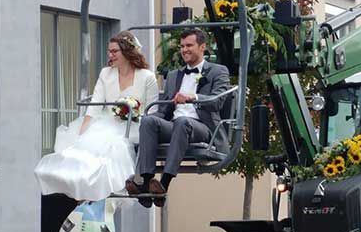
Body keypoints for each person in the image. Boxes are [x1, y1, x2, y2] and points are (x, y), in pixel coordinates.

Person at [35, 31, 159, 201]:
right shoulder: (106, 74)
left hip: (137, 125)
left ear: (127, 52)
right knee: (85, 147)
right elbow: (95, 105)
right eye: (109, 51)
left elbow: (152, 111)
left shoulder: (147, 77)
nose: (110, 55)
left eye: (115, 51)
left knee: (114, 147)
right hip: (108, 123)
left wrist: (135, 114)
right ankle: (81, 187)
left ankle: (119, 186)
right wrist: (82, 133)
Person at [126, 28, 230, 207]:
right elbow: (164, 108)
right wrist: (143, 120)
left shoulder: (217, 71)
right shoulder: (174, 75)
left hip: (202, 127)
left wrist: (193, 97)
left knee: (183, 122)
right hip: (175, 125)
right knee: (149, 121)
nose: (185, 50)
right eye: (182, 46)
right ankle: (146, 183)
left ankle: (164, 183)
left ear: (202, 46)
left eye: (189, 45)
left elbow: (218, 101)